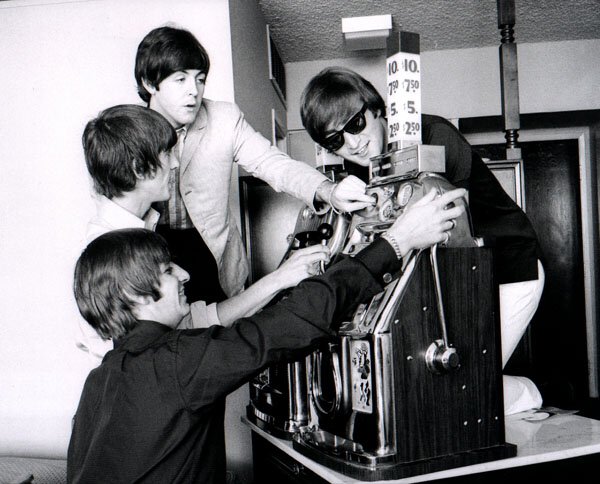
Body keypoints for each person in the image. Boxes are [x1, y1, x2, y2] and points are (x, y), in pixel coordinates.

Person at [67, 188, 466, 483]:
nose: (184, 275)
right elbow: (291, 323)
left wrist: (281, 278)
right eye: (169, 271)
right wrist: (396, 242)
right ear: (137, 294)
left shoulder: (100, 382)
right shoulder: (174, 363)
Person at [300, 66, 546, 414]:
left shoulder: (434, 135)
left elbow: (450, 227)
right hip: (457, 277)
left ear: (375, 107)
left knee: (459, 391)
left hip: (509, 269)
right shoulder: (359, 170)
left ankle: (531, 394)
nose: (352, 143)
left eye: (355, 124)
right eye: (335, 141)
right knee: (437, 392)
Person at [134, 26, 374, 307]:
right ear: (149, 83)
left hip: (215, 264)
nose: (193, 91)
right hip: (152, 263)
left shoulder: (223, 118)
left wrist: (328, 190)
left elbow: (273, 163)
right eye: (180, 79)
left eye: (200, 80)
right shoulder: (126, 132)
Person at [77, 104, 331, 365]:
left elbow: (193, 322)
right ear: (139, 168)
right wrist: (279, 280)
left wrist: (281, 278)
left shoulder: (141, 227)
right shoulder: (109, 252)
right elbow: (148, 359)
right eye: (167, 154)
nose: (176, 164)